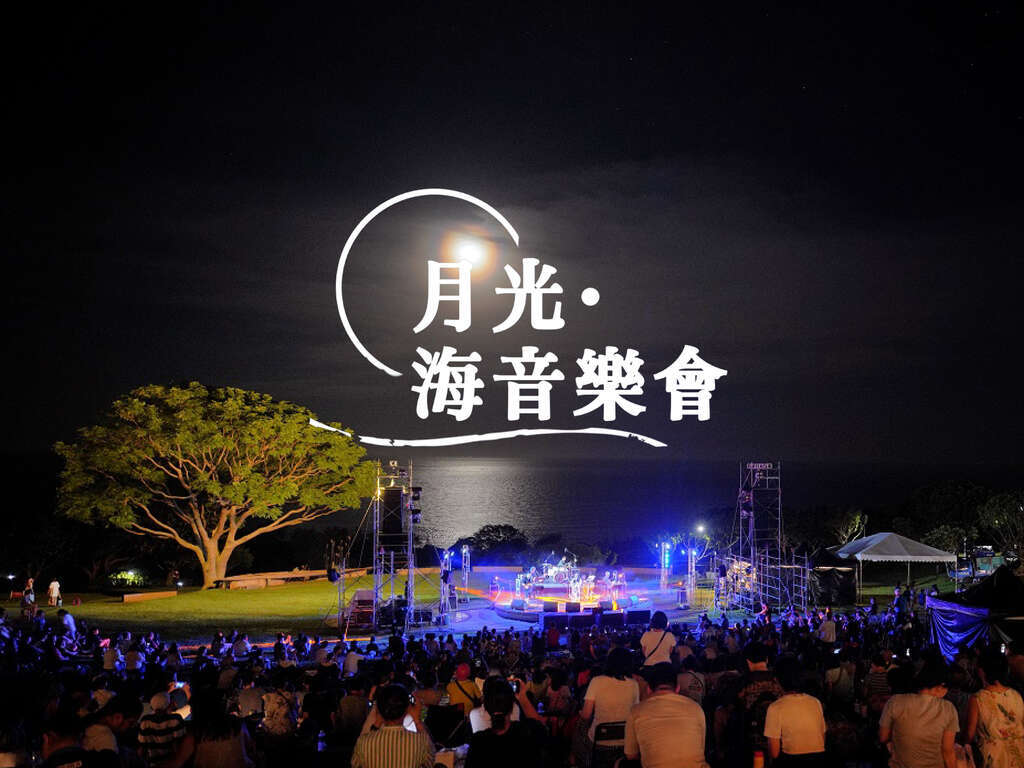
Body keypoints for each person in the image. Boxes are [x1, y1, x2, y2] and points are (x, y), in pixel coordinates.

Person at [624, 662, 708, 768]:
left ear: (648, 689)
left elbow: (631, 755)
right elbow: (701, 748)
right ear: (677, 688)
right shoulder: (696, 708)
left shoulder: (636, 711)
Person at [878, 662, 958, 768]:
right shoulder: (948, 709)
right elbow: (948, 751)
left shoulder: (894, 701)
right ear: (940, 686)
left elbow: (883, 737)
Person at [464, 677, 545, 768]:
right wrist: (522, 697)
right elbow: (540, 726)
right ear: (512, 706)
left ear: (486, 708)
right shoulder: (527, 733)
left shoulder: (478, 742)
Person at [763, 656, 826, 766]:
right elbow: (822, 739)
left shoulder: (775, 707)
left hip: (791, 761)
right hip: (819, 760)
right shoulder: (815, 702)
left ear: (777, 680)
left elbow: (774, 753)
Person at [351, 684, 434, 768]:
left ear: (379, 709)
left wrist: (377, 723)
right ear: (407, 709)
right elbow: (431, 760)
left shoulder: (363, 742)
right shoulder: (420, 741)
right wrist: (417, 720)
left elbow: (355, 764)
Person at [965, 652, 1024, 768]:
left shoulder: (978, 698)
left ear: (982, 671)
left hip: (994, 756)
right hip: (1019, 752)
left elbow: (969, 733)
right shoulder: (1016, 695)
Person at [581, 646, 640, 748]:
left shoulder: (596, 681)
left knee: (579, 728)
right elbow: (635, 712)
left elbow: (586, 715)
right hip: (625, 739)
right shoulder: (634, 684)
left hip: (599, 738)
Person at [138, 692, 186, 766]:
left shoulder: (145, 720)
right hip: (172, 762)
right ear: (168, 704)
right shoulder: (175, 719)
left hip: (153, 763)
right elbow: (178, 744)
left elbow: (142, 746)